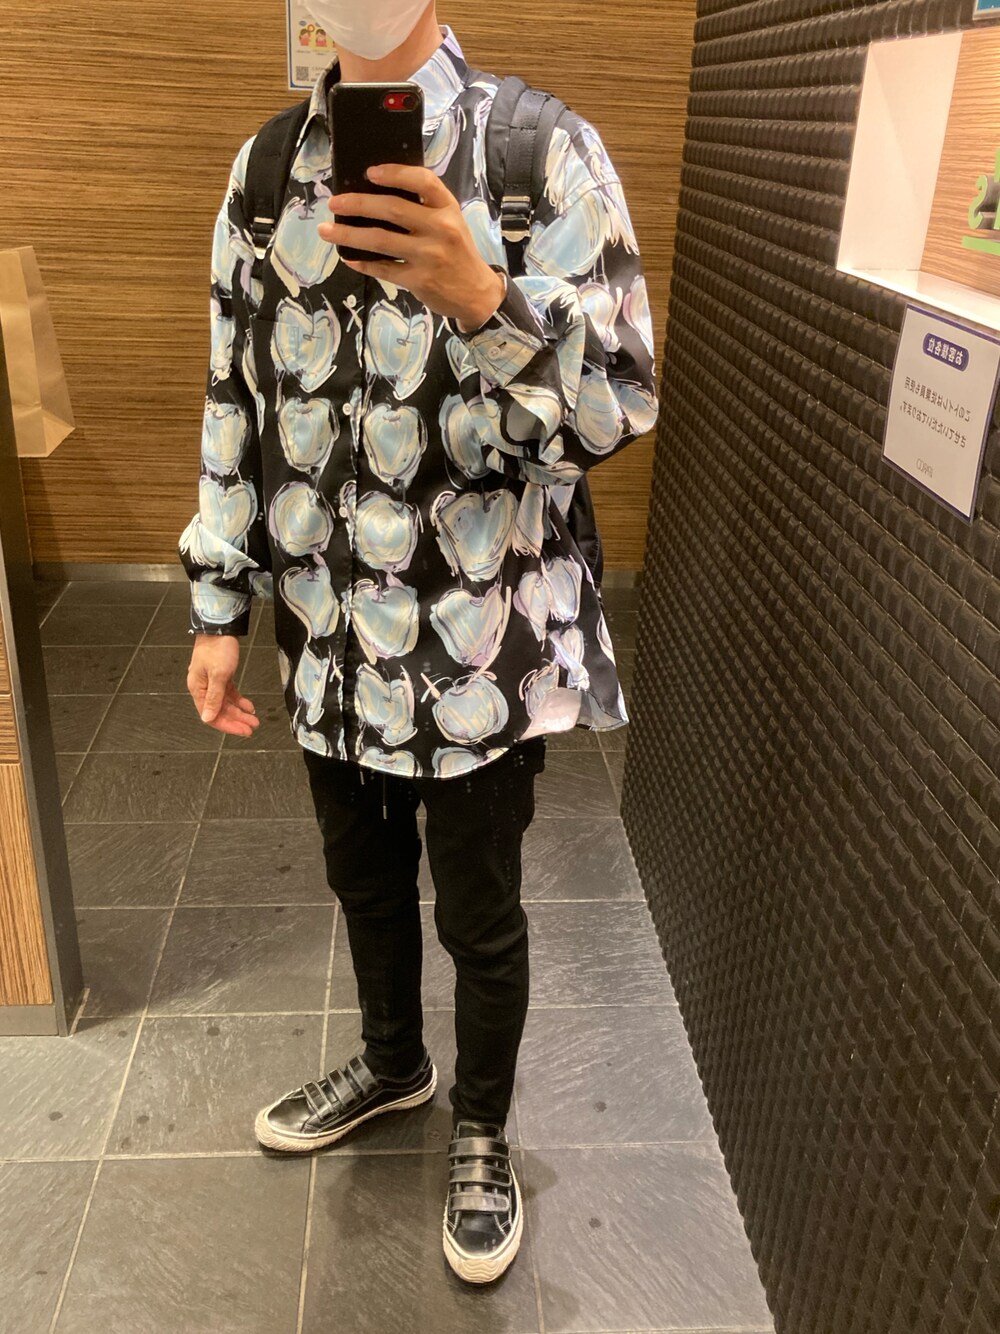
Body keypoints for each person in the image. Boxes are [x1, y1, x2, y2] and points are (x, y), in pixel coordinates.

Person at [179, 0, 657, 1285]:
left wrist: (484, 296)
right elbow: (234, 397)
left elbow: (619, 407)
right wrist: (219, 602)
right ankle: (394, 1064)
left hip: (481, 648)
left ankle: (484, 1126)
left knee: (481, 910)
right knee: (363, 880)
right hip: (325, 634)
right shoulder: (267, 171)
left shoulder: (537, 155)